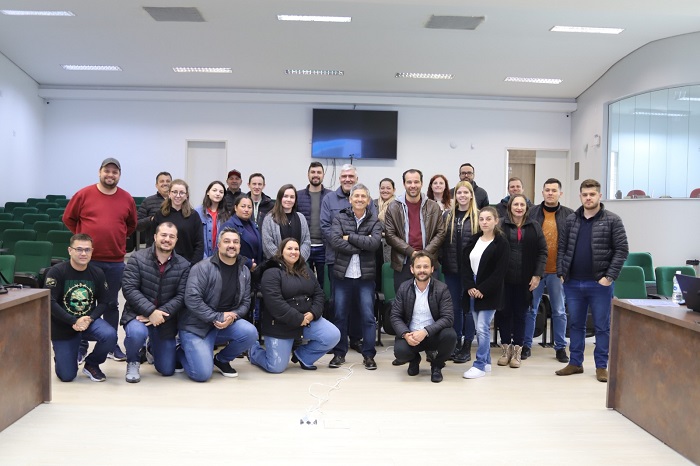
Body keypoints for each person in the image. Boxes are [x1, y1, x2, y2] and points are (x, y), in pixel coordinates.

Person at [63, 157, 137, 361]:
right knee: (83, 303)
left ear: (119, 175)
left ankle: (111, 345)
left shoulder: (127, 198)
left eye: (115, 172)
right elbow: (68, 218)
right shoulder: (84, 194)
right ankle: (80, 346)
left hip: (115, 261)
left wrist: (117, 236)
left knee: (111, 304)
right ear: (100, 172)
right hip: (87, 260)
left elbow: (131, 225)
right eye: (107, 171)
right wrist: (82, 239)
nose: (110, 175)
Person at [556, 179, 629, 383]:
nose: (588, 198)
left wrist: (609, 277)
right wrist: (562, 272)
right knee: (576, 325)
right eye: (585, 194)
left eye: (592, 194)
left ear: (599, 196)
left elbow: (622, 250)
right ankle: (575, 363)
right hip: (573, 283)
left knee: (602, 327)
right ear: (580, 196)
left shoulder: (613, 220)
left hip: (599, 284)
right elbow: (562, 248)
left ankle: (601, 366)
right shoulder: (571, 220)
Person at [178, 228, 259, 381]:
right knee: (202, 375)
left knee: (250, 332)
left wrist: (233, 316)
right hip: (196, 327)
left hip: (223, 325)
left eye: (235, 242)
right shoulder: (202, 267)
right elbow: (192, 299)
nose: (231, 245)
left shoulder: (244, 270)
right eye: (227, 241)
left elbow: (245, 302)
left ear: (240, 246)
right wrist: (218, 316)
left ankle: (221, 360)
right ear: (218, 245)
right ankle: (181, 352)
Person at [249, 238, 340, 373]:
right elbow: (275, 303)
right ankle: (253, 351)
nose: (294, 252)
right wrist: (298, 318)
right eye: (289, 249)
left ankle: (304, 356)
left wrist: (313, 313)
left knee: (333, 335)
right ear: (281, 251)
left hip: (307, 321)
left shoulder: (306, 270)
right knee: (275, 367)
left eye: (296, 249)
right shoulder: (271, 272)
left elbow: (319, 294)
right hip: (280, 325)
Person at [120, 222, 190, 383]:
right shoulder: (137, 258)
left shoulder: (184, 265)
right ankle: (133, 361)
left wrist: (159, 315)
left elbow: (181, 296)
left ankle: (151, 348)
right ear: (155, 237)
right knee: (136, 334)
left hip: (165, 319)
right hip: (138, 315)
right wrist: (151, 312)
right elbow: (129, 289)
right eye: (163, 235)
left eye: (171, 236)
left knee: (166, 370)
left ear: (176, 240)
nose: (167, 239)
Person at [44, 233, 117, 382]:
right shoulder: (57, 272)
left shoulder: (97, 272)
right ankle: (64, 355)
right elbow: (49, 302)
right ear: (70, 250)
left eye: (87, 250)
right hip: (63, 324)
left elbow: (104, 302)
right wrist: (73, 321)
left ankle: (92, 364)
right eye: (79, 249)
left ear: (92, 251)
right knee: (67, 376)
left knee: (110, 335)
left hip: (88, 321)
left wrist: (90, 318)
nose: (83, 253)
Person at [328, 183, 382, 370]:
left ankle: (369, 355)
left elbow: (374, 244)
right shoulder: (340, 217)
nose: (359, 199)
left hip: (365, 278)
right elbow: (335, 241)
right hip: (343, 276)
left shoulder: (374, 220)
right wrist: (362, 244)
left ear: (368, 200)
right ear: (350, 199)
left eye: (363, 196)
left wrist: (349, 237)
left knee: (368, 317)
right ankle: (339, 353)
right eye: (356, 196)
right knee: (340, 316)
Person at [524, 178, 574, 362]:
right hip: (535, 271)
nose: (550, 193)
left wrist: (565, 269)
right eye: (547, 190)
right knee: (531, 309)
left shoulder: (569, 215)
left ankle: (560, 347)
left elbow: (571, 245)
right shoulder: (532, 213)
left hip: (557, 272)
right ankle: (526, 345)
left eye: (554, 190)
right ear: (542, 192)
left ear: (560, 193)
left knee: (559, 311)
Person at [496, 194, 547, 369]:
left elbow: (542, 251)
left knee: (521, 315)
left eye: (522, 205)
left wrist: (537, 275)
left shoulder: (534, 226)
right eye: (515, 204)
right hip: (503, 279)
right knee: (503, 314)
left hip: (525, 279)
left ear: (526, 208)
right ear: (510, 207)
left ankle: (517, 351)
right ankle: (505, 350)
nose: (519, 208)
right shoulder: (500, 224)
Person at [390, 252, 457, 383]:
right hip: (412, 335)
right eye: (418, 267)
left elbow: (448, 318)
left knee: (450, 335)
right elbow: (395, 316)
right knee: (400, 352)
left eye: (425, 267)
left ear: (432, 269)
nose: (422, 270)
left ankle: (437, 365)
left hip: (433, 334)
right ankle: (414, 360)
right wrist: (405, 334)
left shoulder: (442, 288)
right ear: (412, 269)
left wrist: (425, 331)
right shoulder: (404, 288)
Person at [462, 207, 511, 379]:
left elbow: (500, 272)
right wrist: (470, 286)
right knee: (478, 327)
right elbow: (465, 265)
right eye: (482, 219)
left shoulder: (501, 243)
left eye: (488, 219)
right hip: (473, 288)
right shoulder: (474, 239)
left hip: (490, 290)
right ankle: (488, 361)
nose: (484, 222)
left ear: (496, 221)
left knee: (482, 327)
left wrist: (483, 289)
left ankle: (480, 364)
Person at [384, 168, 446, 293]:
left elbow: (441, 233)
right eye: (409, 182)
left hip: (428, 261)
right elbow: (390, 235)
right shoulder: (393, 207)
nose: (413, 185)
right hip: (403, 263)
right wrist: (411, 252)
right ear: (404, 184)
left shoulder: (433, 206)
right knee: (404, 301)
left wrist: (424, 254)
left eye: (416, 182)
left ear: (421, 183)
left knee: (430, 301)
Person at [440, 180, 479, 364]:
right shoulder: (447, 215)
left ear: (471, 195)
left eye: (466, 192)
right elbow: (441, 241)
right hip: (451, 270)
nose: (462, 196)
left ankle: (467, 346)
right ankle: (456, 343)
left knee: (469, 309)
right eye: (459, 193)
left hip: (471, 272)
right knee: (455, 308)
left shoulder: (478, 216)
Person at [297, 162, 333, 287]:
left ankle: (322, 301)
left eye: (319, 172)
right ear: (308, 174)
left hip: (324, 247)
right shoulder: (298, 196)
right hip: (304, 246)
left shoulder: (331, 196)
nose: (316, 175)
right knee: (304, 282)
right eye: (313, 172)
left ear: (323, 175)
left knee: (324, 284)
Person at [153, 179, 204, 264]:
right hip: (163, 263)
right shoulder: (160, 214)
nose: (178, 195)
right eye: (175, 192)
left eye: (182, 193)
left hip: (187, 263)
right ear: (169, 194)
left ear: (186, 195)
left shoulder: (194, 215)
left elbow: (199, 244)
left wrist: (193, 265)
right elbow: (153, 240)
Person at [261, 184, 311, 260]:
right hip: (277, 264)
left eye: (292, 197)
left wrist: (298, 259)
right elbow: (267, 244)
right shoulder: (269, 219)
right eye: (285, 196)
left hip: (298, 263)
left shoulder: (301, 218)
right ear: (280, 198)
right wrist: (283, 260)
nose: (289, 199)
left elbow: (306, 241)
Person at [222, 196, 263, 271]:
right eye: (243, 206)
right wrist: (248, 263)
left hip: (255, 270)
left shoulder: (253, 226)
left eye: (249, 207)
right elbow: (224, 249)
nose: (246, 210)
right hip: (236, 269)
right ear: (235, 208)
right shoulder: (229, 225)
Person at [195, 180, 230, 259]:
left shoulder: (226, 214)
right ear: (208, 192)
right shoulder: (197, 212)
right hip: (201, 257)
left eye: (221, 192)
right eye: (214, 190)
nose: (218, 194)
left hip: (220, 257)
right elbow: (194, 237)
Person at [136, 171, 172, 247]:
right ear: (156, 185)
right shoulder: (148, 201)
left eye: (168, 181)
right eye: (162, 181)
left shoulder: (177, 201)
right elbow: (137, 225)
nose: (165, 183)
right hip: (153, 247)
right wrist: (151, 219)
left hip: (174, 246)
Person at [373, 177, 396, 264]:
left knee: (388, 270)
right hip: (374, 245)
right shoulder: (372, 204)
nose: (385, 191)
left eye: (388, 188)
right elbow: (369, 224)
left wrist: (378, 231)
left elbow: (396, 228)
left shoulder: (398, 205)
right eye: (382, 188)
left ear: (394, 190)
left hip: (391, 246)